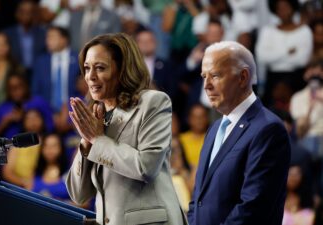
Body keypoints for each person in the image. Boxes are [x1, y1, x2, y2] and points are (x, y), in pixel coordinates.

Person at [65, 33, 187, 225]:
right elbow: (78, 195)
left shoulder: (152, 102)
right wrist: (86, 141)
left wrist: (98, 140)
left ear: (122, 69)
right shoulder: (97, 115)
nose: (91, 77)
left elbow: (147, 167)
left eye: (100, 68)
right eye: (87, 68)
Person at [187, 41, 291, 225]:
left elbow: (254, 205)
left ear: (243, 77)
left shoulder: (268, 129)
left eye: (215, 75)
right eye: (204, 76)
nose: (207, 85)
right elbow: (198, 198)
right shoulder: (214, 128)